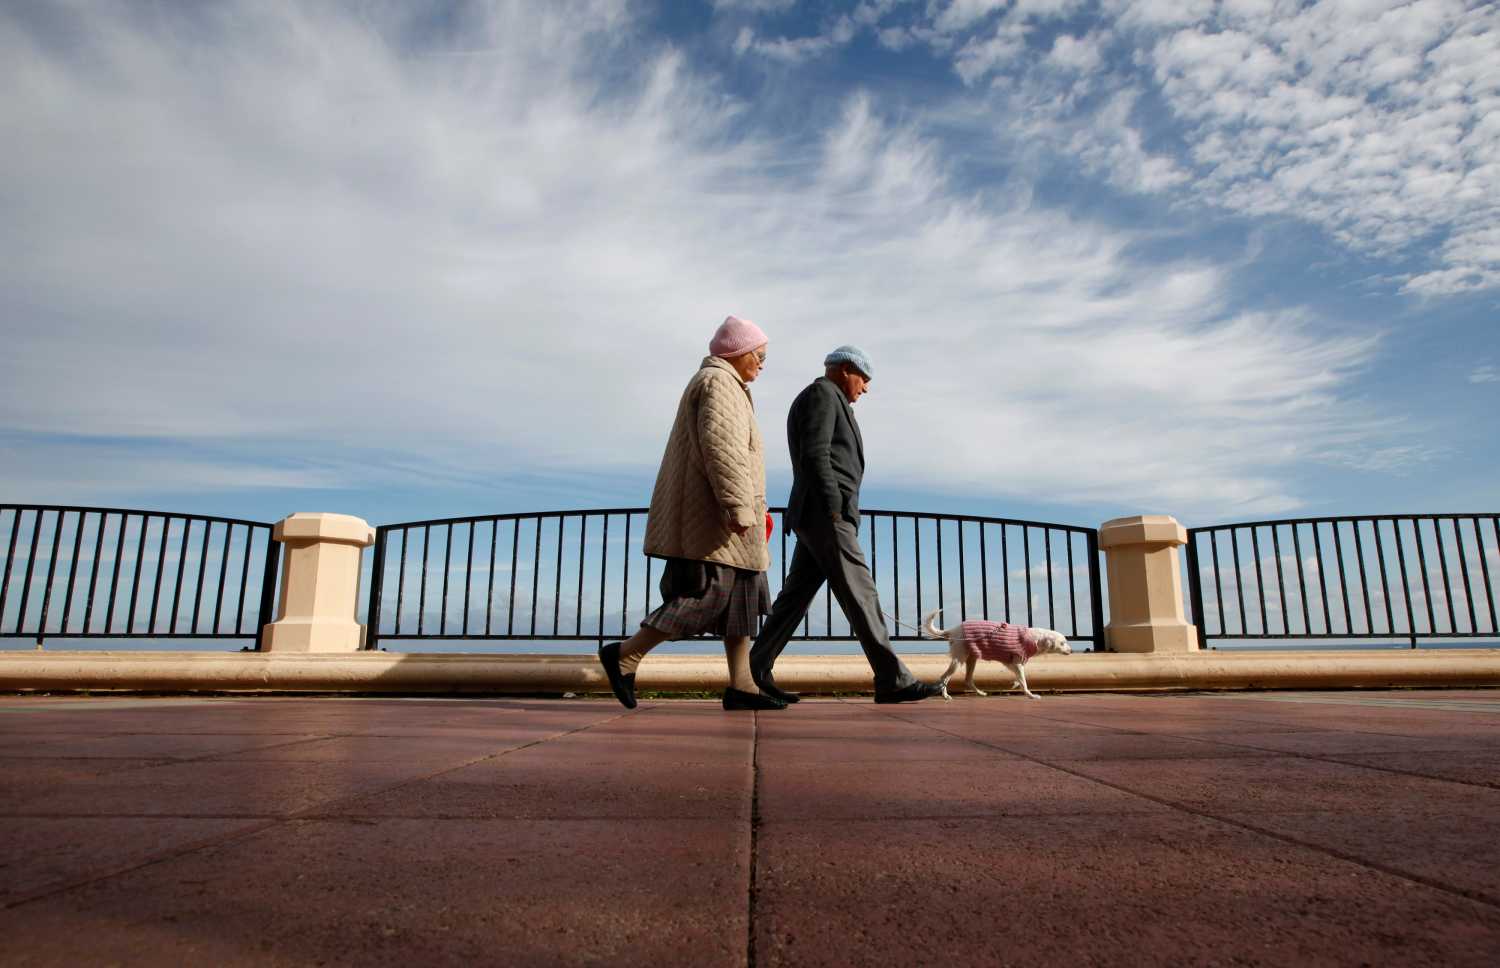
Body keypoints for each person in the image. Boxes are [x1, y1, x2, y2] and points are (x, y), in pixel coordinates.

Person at [597, 316, 785, 711]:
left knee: (740, 599)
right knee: (704, 595)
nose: (763, 364)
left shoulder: (727, 385)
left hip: (722, 515)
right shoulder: (720, 384)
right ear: (738, 352)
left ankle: (742, 685)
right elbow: (724, 450)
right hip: (715, 519)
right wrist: (738, 506)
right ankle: (625, 655)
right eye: (760, 355)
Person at [749, 346, 941, 704]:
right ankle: (892, 679)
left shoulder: (829, 397)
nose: (865, 388)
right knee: (861, 592)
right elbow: (816, 453)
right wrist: (835, 506)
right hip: (826, 514)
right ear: (845, 369)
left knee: (794, 600)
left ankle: (752, 675)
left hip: (818, 513)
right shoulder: (823, 394)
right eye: (864, 378)